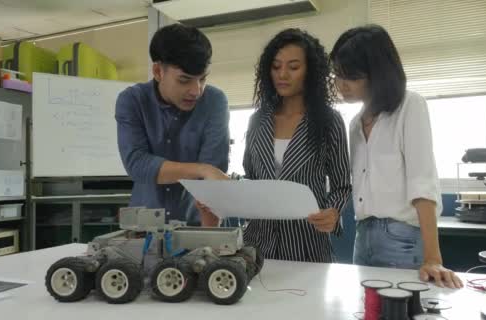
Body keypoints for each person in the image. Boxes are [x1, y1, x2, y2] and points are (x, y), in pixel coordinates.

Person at [200, 28, 351, 263]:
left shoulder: (329, 121)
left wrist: (333, 212)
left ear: (310, 71)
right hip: (258, 245)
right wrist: (220, 194)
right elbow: (252, 179)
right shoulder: (258, 120)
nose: (282, 74)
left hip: (307, 244)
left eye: (293, 67)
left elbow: (342, 185)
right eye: (276, 66)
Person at [330, 24, 463, 288]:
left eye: (351, 77)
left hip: (401, 238)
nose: (340, 85)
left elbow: (422, 182)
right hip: (363, 235)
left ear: (376, 73)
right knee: (365, 310)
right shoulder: (355, 124)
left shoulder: (409, 106)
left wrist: (433, 257)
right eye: (337, 75)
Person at [115, 23, 230, 226]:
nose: (196, 91)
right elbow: (137, 164)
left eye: (202, 79)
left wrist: (210, 241)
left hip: (196, 226)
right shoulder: (132, 100)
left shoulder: (215, 102)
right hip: (143, 228)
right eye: (184, 80)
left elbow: (213, 178)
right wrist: (202, 170)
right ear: (158, 71)